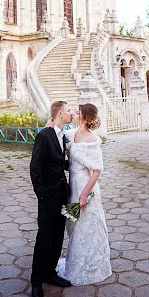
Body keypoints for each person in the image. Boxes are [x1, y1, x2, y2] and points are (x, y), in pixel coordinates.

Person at [56, 103, 112, 285]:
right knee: (73, 226)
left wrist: (84, 195)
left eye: (78, 112)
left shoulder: (91, 141)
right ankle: (76, 260)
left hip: (85, 188)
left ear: (86, 118)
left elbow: (96, 171)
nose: (75, 113)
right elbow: (58, 133)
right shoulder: (72, 134)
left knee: (86, 225)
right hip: (73, 184)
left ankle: (90, 264)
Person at [29, 100, 73, 297]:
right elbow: (35, 167)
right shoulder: (44, 135)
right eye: (68, 111)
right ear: (60, 114)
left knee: (57, 237)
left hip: (62, 195)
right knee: (44, 238)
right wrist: (42, 193)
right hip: (47, 197)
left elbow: (59, 162)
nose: (71, 113)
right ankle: (36, 281)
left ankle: (51, 273)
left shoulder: (62, 135)